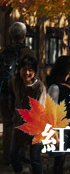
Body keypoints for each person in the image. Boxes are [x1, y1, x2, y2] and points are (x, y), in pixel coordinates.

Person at [1, 21, 35, 164]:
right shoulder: (27, 52)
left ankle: (7, 157)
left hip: (4, 92)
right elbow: (32, 74)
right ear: (23, 35)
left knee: (8, 124)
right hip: (21, 93)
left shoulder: (3, 51)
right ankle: (20, 155)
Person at [9, 55, 46, 174]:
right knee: (13, 153)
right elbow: (13, 97)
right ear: (19, 70)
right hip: (19, 124)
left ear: (35, 71)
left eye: (30, 70)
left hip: (35, 127)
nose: (27, 73)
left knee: (35, 158)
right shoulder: (15, 81)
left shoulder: (39, 87)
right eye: (24, 69)